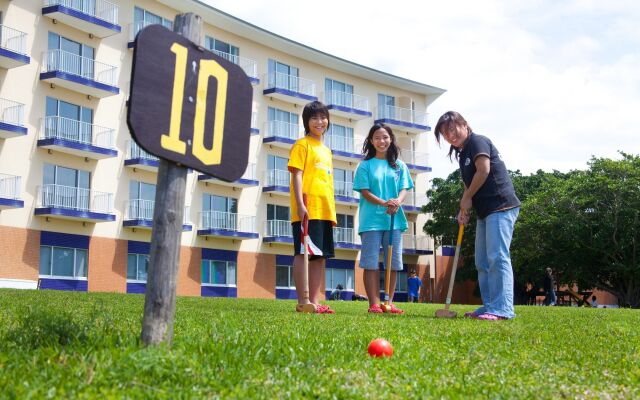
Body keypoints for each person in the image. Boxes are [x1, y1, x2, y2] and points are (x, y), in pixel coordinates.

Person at [434, 111, 521, 321]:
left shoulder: (477, 141)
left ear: (465, 125)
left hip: (500, 206)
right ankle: (490, 305)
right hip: (484, 211)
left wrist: (467, 198)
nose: (450, 136)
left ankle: (503, 309)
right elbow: (468, 186)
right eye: (445, 134)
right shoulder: (463, 154)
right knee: (482, 261)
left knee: (497, 257)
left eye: (452, 129)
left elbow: (483, 171)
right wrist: (464, 209)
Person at [354, 123, 414, 314]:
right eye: (377, 138)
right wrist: (384, 203)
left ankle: (388, 302)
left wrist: (397, 201)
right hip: (371, 221)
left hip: (394, 220)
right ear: (371, 141)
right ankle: (374, 303)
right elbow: (364, 191)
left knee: (393, 262)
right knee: (370, 262)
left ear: (391, 139)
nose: (382, 141)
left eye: (385, 137)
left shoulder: (399, 165)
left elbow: (405, 187)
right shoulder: (365, 165)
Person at [288, 101, 337, 314]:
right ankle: (303, 301)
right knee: (303, 253)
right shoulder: (302, 144)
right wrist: (300, 204)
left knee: (319, 256)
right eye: (314, 118)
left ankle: (314, 302)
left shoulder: (326, 150)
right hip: (307, 207)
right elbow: (296, 174)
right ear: (306, 121)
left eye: (323, 117)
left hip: (325, 210)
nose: (320, 122)